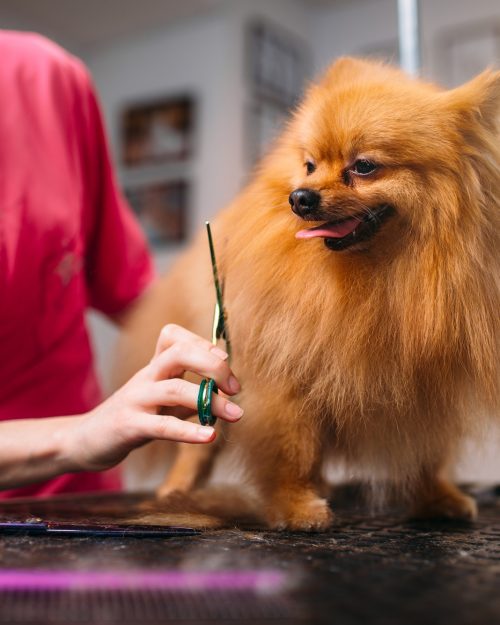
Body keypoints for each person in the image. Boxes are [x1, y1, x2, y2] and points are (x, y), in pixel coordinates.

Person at [0, 31, 243, 497]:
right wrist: (78, 436)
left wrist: (248, 332)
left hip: (84, 501)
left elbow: (134, 293)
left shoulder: (48, 77)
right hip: (74, 452)